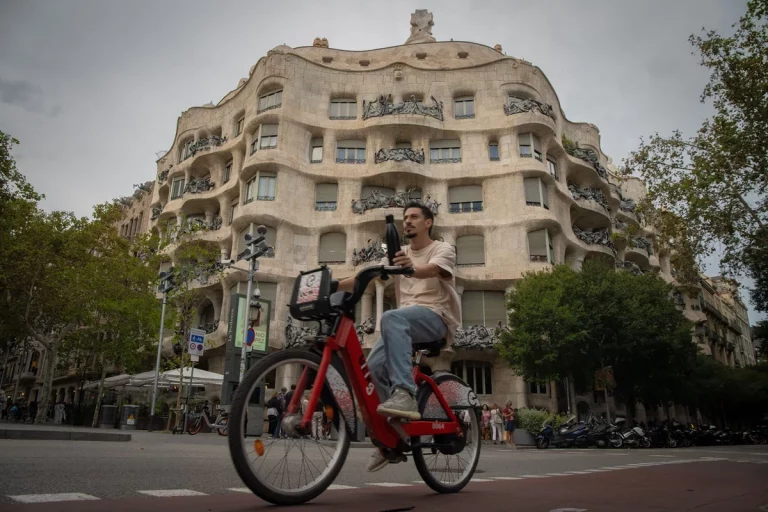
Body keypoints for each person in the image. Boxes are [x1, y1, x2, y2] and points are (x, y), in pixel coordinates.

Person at [336, 202, 461, 472]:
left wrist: (410, 269)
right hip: (403, 324)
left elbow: (436, 270)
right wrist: (332, 284)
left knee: (392, 316)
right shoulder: (398, 254)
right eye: (405, 218)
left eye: (414, 217)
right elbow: (365, 276)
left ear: (428, 222)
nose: (408, 221)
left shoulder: (442, 248)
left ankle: (404, 392)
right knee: (371, 370)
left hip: (435, 318)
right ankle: (393, 439)